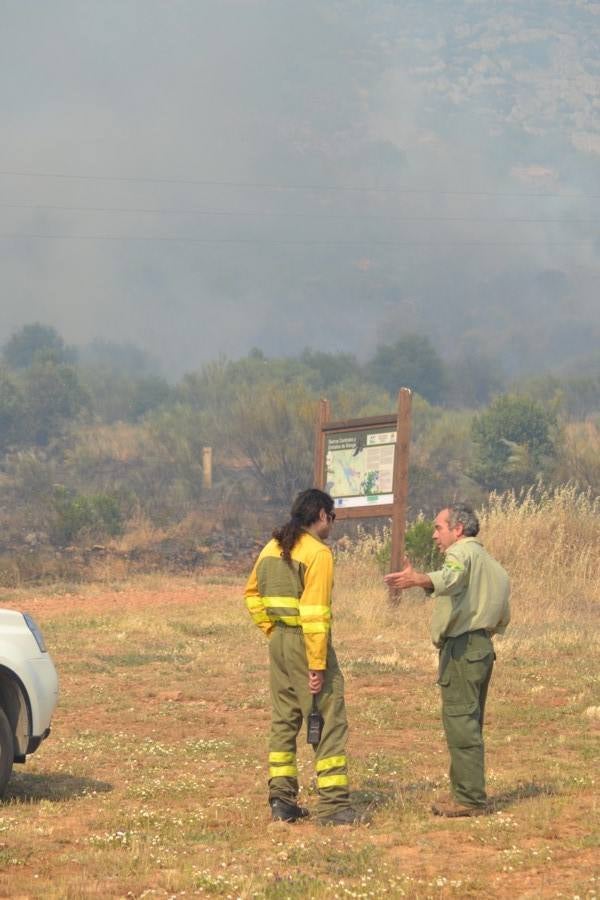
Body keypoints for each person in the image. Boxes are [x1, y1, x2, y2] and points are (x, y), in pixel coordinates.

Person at [384, 503, 510, 817]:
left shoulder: (460, 554)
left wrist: (419, 579)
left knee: (460, 722)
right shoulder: (494, 565)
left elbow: (451, 578)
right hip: (482, 648)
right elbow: (501, 614)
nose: (434, 534)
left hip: (463, 649)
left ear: (458, 529)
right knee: (470, 721)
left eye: (439, 527)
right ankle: (465, 793)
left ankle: (469, 799)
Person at [245, 488, 359, 825]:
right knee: (327, 720)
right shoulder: (318, 554)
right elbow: (314, 615)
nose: (332, 525)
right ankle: (334, 806)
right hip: (302, 643)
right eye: (332, 518)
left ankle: (281, 801)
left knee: (284, 721)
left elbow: (251, 594)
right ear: (322, 515)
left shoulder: (271, 547)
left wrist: (272, 630)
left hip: (279, 641)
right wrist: (317, 664)